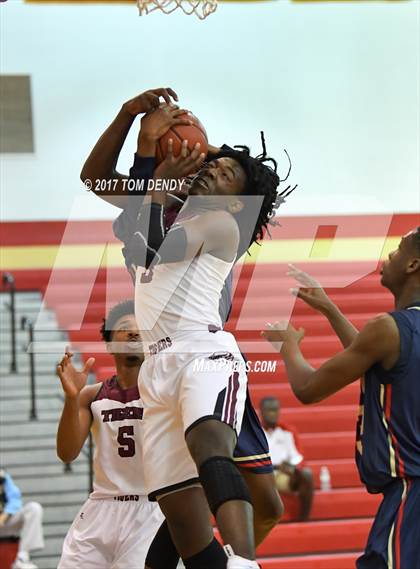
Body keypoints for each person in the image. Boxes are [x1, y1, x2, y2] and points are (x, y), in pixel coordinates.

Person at [81, 88, 286, 568]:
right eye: (208, 163)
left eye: (220, 168)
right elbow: (96, 178)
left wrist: (154, 148)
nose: (212, 166)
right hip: (164, 360)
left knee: (254, 491)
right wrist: (129, 115)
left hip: (203, 349)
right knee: (179, 502)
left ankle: (242, 560)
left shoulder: (212, 214)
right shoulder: (166, 195)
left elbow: (150, 247)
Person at [262, 228, 420, 569]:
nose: (389, 256)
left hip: (411, 494)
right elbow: (375, 356)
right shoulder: (396, 334)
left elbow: (308, 388)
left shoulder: (389, 329)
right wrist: (330, 309)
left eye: (398, 250)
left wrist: (288, 347)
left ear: (413, 264)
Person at [56, 300, 164, 569]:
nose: (134, 332)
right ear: (109, 344)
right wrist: (71, 399)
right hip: (101, 506)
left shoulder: (165, 390)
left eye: (141, 328)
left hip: (149, 508)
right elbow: (66, 453)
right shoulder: (91, 396)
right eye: (125, 328)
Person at [260, 397, 314, 521]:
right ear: (261, 412)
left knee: (306, 474)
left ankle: (303, 519)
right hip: (261, 475)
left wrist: (291, 467)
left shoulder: (288, 431)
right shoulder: (255, 432)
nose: (273, 414)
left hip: (282, 474)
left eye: (275, 410)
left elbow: (298, 458)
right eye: (269, 410)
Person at [0, 469, 44, 569]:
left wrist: (5, 515)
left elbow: (15, 499)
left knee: (34, 508)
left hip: (6, 522)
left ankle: (22, 558)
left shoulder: (3, 476)